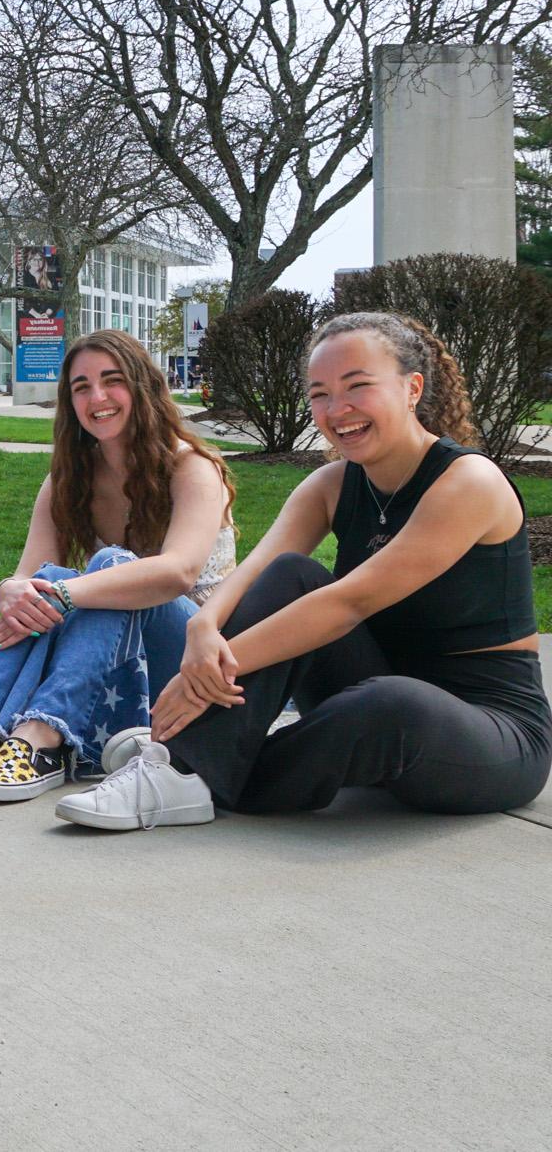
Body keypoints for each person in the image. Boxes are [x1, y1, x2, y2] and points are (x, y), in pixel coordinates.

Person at [58, 311, 551, 831]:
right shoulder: (333, 483)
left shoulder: (469, 481)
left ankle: (187, 766)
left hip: (489, 728)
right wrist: (204, 628)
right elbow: (255, 573)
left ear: (413, 388)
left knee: (391, 702)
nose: (337, 410)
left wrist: (200, 680)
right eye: (319, 394)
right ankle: (185, 763)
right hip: (373, 685)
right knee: (294, 573)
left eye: (357, 386)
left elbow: (346, 604)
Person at [0, 330, 235, 800]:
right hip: (113, 663)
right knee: (44, 582)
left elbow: (178, 572)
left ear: (142, 386)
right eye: (81, 387)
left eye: (112, 381)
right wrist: (9, 592)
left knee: (109, 567)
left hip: (190, 664)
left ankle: (40, 739)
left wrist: (65, 592)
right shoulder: (70, 478)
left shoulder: (191, 467)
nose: (97, 397)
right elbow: (27, 575)